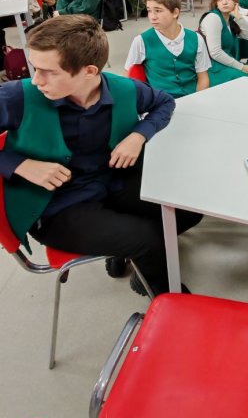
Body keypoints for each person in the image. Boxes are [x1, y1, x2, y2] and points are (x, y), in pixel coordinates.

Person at [0, 15, 202, 296]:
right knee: (148, 238)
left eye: (48, 71)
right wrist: (20, 164)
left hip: (111, 181)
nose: (36, 80)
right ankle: (163, 293)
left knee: (189, 210)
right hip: (56, 205)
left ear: (89, 71)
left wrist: (138, 135)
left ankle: (131, 256)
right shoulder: (16, 97)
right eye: (35, 68)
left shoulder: (124, 89)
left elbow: (164, 103)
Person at [125, 0, 210, 98]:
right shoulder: (141, 41)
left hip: (192, 98)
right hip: (160, 102)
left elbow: (203, 77)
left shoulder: (196, 39)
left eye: (158, 11)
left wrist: (198, 99)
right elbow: (128, 76)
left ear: (175, 12)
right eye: (149, 11)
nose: (152, 17)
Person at [198, 0, 248, 86]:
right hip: (212, 68)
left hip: (225, 64)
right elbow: (215, 53)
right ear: (216, 3)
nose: (224, 2)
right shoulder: (213, 18)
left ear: (235, 1)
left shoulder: (230, 19)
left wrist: (238, 17)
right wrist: (242, 67)